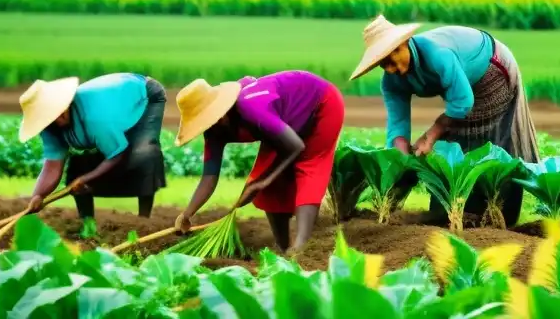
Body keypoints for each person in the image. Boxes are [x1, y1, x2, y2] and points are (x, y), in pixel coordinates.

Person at [350, 15, 540, 226]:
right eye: (383, 64)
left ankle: (498, 217)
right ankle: (454, 214)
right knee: (454, 148)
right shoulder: (392, 82)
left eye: (393, 56)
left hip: (492, 69)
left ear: (404, 44)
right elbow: (397, 126)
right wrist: (399, 163)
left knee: (490, 144)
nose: (392, 67)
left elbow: (462, 102)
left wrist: (430, 135)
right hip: (463, 87)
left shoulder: (437, 55)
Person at [173, 71, 344, 253]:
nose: (207, 128)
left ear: (220, 115)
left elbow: (295, 146)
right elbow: (209, 177)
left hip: (321, 105)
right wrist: (187, 214)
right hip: (284, 124)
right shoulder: (214, 132)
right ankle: (283, 247)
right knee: (265, 186)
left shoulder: (251, 107)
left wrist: (264, 180)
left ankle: (301, 248)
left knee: (308, 167)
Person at [19, 73, 167, 225]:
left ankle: (143, 221)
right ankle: (88, 225)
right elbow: (52, 167)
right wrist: (38, 196)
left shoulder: (97, 118)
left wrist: (86, 179)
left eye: (57, 110)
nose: (57, 117)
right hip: (113, 106)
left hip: (145, 94)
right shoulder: (50, 129)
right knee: (77, 169)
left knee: (143, 153)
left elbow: (118, 154)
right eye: (49, 116)